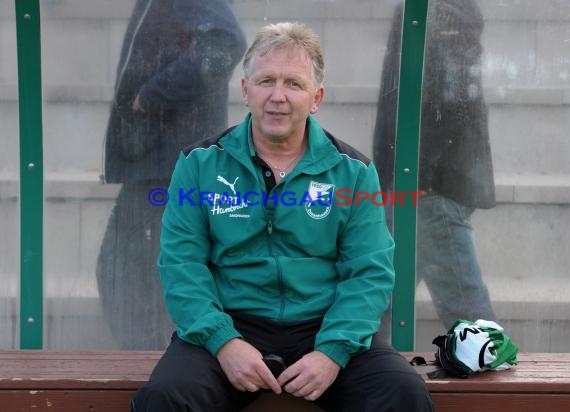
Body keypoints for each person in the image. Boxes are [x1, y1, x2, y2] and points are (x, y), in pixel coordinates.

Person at [132, 21, 434, 411]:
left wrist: (332, 352)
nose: (278, 96)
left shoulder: (354, 171)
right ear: (245, 91)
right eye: (266, 81)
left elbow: (370, 272)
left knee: (402, 395)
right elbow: (181, 264)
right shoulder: (199, 164)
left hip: (324, 325)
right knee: (165, 399)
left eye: (293, 84)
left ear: (316, 97)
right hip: (231, 323)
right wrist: (223, 342)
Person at [97, 0, 247, 349]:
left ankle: (155, 360)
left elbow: (224, 43)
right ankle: (154, 358)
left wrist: (151, 96)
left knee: (131, 269)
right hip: (158, 160)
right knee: (130, 269)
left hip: (167, 162)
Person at [373, 0, 497, 329]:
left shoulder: (440, 11)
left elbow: (449, 94)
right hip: (418, 183)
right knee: (377, 304)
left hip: (426, 186)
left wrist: (420, 175)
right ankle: (371, 373)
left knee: (471, 320)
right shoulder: (430, 10)